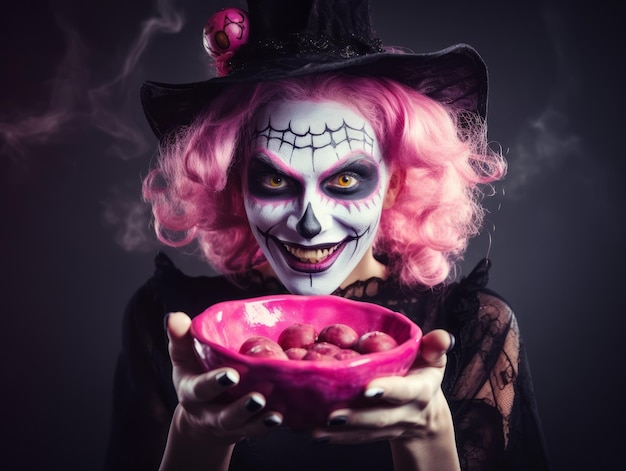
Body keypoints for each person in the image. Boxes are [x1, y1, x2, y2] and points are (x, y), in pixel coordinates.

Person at [104, 0, 550, 470]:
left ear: (395, 183)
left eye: (344, 181)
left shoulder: (475, 330)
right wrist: (194, 438)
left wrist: (428, 437)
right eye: (275, 181)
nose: (310, 221)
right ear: (235, 188)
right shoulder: (167, 325)